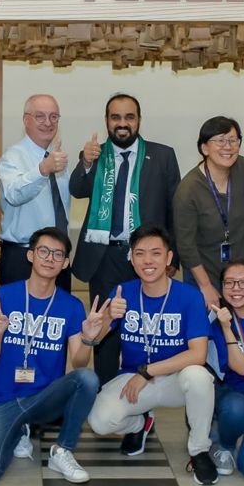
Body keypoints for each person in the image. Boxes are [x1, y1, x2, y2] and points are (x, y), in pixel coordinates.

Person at [87, 225, 218, 485]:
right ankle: (139, 423)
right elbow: (97, 339)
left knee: (199, 377)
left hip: (175, 379)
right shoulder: (122, 292)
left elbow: (199, 354)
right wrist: (107, 318)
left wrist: (148, 371)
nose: (148, 261)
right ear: (131, 259)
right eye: (140, 254)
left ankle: (199, 450)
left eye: (156, 253)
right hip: (135, 379)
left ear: (169, 258)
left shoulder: (189, 296)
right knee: (100, 422)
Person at [0, 227, 109, 485]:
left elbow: (79, 363)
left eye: (57, 254)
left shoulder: (71, 306)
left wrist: (88, 337)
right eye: (44, 251)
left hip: (44, 398)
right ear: (30, 256)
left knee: (88, 379)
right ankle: (19, 429)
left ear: (65, 263)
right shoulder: (3, 296)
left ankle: (62, 450)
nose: (50, 258)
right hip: (4, 400)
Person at [70, 93, 181, 386]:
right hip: (104, 257)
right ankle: (107, 394)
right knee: (106, 333)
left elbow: (174, 211)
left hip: (148, 260)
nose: (122, 124)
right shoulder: (97, 155)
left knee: (145, 331)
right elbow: (77, 189)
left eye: (129, 117)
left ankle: (144, 405)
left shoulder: (162, 156)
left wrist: (173, 260)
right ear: (107, 121)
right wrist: (85, 161)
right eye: (115, 117)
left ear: (139, 120)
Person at [173, 116, 244, 309]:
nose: (228, 147)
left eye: (233, 140)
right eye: (220, 140)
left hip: (243, 278)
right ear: (204, 148)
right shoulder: (189, 189)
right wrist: (206, 286)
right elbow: (186, 246)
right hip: (205, 276)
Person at [0, 94, 72, 292]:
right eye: (40, 116)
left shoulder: (57, 157)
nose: (48, 123)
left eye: (54, 117)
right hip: (22, 258)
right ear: (26, 120)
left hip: (57, 257)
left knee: (59, 318)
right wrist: (42, 170)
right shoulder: (12, 157)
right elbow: (13, 195)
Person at [204, 259, 244, 477]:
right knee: (238, 410)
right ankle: (225, 446)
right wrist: (227, 328)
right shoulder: (216, 321)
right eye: (229, 283)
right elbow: (240, 368)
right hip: (231, 393)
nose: (236, 289)